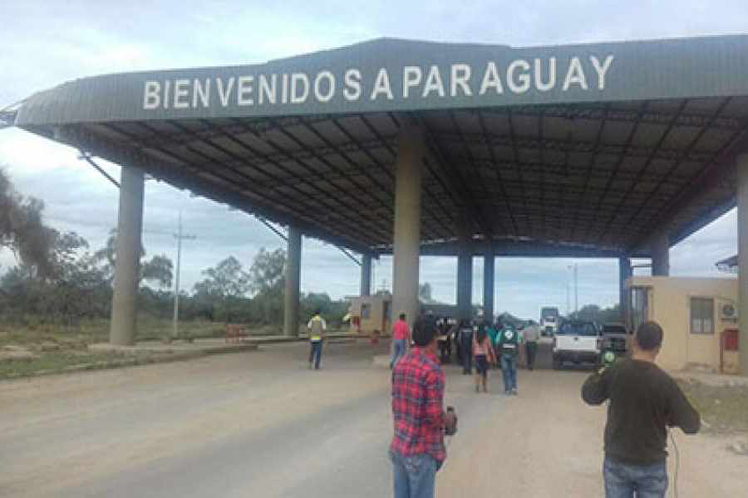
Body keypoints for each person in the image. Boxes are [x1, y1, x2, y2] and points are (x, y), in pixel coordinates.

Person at [581, 321, 700, 498]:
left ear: (634, 341)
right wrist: (671, 418)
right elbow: (692, 425)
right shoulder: (665, 382)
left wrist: (599, 370)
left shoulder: (615, 371)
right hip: (651, 464)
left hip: (617, 460)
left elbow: (589, 395)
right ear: (658, 348)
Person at [390, 314, 457, 498]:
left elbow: (397, 404)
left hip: (400, 446)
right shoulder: (432, 370)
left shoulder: (400, 364)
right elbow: (434, 416)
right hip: (421, 450)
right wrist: (448, 420)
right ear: (434, 338)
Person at [496, 322, 520, 395]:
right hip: (513, 354)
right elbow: (518, 342)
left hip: (503, 353)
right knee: (513, 371)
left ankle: (507, 389)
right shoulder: (516, 332)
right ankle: (514, 388)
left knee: (505, 372)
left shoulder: (501, 332)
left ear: (505, 325)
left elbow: (497, 341)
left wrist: (498, 350)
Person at [472, 323, 496, 393]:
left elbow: (473, 346)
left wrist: (473, 355)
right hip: (485, 356)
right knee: (485, 373)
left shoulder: (475, 336)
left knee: (478, 372)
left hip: (477, 355)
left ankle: (477, 386)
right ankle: (484, 387)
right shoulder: (487, 336)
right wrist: (493, 356)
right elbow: (490, 347)